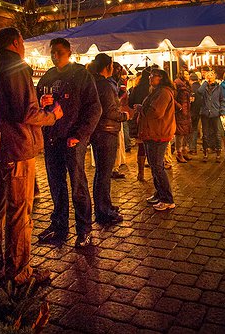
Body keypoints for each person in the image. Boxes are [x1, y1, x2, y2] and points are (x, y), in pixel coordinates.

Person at [0, 27, 63, 294]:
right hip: (17, 151)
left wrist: (38, 102)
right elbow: (25, 112)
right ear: (16, 43)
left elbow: (10, 106)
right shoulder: (16, 67)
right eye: (23, 42)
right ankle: (20, 272)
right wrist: (53, 115)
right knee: (19, 212)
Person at [36, 38, 101, 248]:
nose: (55, 56)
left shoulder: (81, 75)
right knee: (56, 186)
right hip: (52, 138)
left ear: (69, 52)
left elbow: (94, 108)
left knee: (78, 186)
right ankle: (59, 225)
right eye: (53, 52)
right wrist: (41, 103)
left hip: (73, 140)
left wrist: (80, 134)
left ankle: (84, 230)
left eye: (60, 52)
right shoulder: (47, 76)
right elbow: (38, 103)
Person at [89, 54, 128, 225]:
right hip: (106, 131)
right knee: (104, 174)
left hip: (98, 131)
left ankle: (105, 205)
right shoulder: (104, 84)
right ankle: (103, 212)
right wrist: (125, 115)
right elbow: (109, 111)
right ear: (108, 66)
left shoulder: (93, 82)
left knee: (101, 173)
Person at [138, 69, 177, 211]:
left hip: (159, 133)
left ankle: (167, 199)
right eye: (150, 75)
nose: (150, 78)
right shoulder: (157, 91)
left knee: (158, 167)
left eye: (153, 76)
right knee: (154, 166)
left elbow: (157, 112)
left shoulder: (164, 92)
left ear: (160, 78)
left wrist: (141, 109)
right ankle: (159, 194)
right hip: (152, 132)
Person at [128, 68, 152, 181]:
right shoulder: (153, 89)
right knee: (152, 146)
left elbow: (130, 102)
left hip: (138, 118)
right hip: (150, 119)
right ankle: (154, 171)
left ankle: (140, 172)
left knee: (141, 146)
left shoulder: (136, 88)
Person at [199, 70, 225, 162]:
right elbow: (199, 92)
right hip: (205, 113)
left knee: (217, 133)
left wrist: (222, 111)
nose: (209, 76)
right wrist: (205, 82)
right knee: (205, 134)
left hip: (215, 113)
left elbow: (222, 100)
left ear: (214, 77)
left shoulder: (219, 88)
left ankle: (218, 153)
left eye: (211, 75)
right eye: (207, 75)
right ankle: (205, 153)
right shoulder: (204, 87)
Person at [174, 70, 193, 163]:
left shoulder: (186, 85)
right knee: (180, 134)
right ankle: (179, 153)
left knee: (186, 132)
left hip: (186, 111)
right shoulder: (177, 84)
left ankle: (185, 151)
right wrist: (180, 107)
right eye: (185, 74)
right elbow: (173, 98)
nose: (187, 75)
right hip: (180, 112)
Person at [189, 73, 203, 155]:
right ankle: (194, 149)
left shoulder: (191, 88)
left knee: (192, 130)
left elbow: (191, 101)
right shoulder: (201, 87)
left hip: (192, 112)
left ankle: (192, 148)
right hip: (200, 111)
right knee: (197, 130)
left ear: (190, 80)